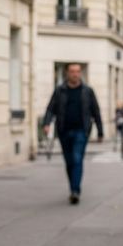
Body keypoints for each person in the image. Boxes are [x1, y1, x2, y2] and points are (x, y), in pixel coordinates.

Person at [43, 63, 104, 204]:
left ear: (80, 73)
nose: (75, 74)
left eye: (77, 71)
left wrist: (100, 131)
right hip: (64, 130)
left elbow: (96, 111)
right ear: (67, 73)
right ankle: (73, 187)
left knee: (77, 159)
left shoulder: (87, 91)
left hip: (81, 131)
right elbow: (51, 108)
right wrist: (46, 123)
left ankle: (75, 190)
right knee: (69, 161)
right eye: (72, 71)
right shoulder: (60, 91)